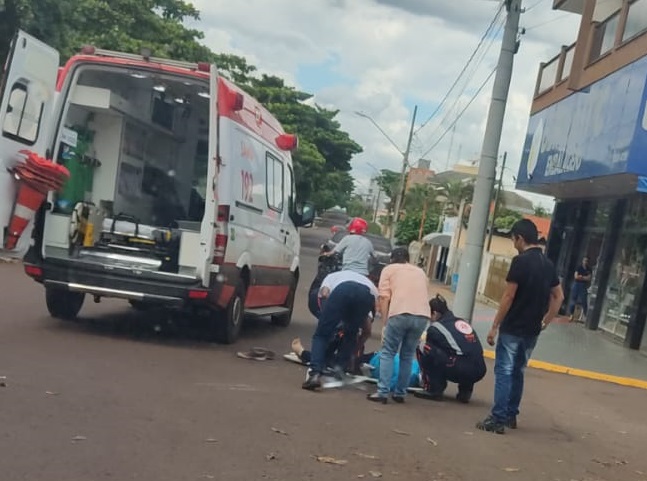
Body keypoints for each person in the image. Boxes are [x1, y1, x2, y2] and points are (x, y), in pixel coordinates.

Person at [477, 219, 563, 434]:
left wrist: (494, 325)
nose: (513, 244)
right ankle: (510, 415)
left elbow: (508, 295)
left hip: (513, 326)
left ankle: (497, 418)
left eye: (513, 239)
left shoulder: (520, 262)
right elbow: (558, 296)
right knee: (518, 371)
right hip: (532, 329)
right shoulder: (548, 264)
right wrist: (546, 320)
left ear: (520, 238)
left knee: (504, 370)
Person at [367, 247, 431, 404]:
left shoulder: (389, 269)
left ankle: (382, 392)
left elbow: (383, 297)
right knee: (408, 355)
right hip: (422, 316)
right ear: (408, 259)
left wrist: (385, 323)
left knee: (388, 352)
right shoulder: (420, 272)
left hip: (400, 313)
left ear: (392, 259)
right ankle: (400, 393)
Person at [302, 269, 379, 390]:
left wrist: (328, 319)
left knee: (321, 335)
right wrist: (355, 350)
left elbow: (325, 293)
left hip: (342, 291)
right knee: (351, 334)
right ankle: (340, 371)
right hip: (366, 295)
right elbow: (367, 329)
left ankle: (315, 374)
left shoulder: (331, 277)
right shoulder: (372, 288)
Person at [414, 294, 487, 403]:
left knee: (423, 347)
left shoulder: (435, 329)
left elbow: (432, 354)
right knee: (464, 353)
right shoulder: (461, 322)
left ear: (434, 313)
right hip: (480, 369)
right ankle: (465, 391)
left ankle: (434, 389)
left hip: (460, 368)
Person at [568, 256, 591, 322]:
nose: (585, 262)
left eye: (586, 261)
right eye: (584, 260)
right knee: (573, 300)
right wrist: (583, 277)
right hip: (577, 284)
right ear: (582, 261)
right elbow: (576, 277)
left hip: (583, 285)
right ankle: (571, 315)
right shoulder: (579, 267)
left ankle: (585, 316)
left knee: (584, 300)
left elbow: (589, 278)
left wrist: (581, 277)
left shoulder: (589, 269)